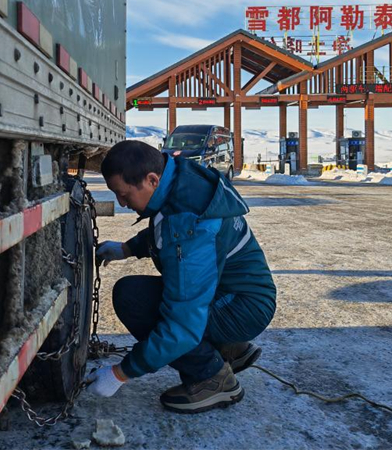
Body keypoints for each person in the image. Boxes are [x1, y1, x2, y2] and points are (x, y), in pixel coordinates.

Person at [85, 140, 276, 413]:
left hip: (241, 306)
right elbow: (166, 224)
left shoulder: (190, 226)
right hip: (237, 294)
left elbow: (182, 325)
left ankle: (213, 378)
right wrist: (128, 248)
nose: (122, 203)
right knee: (139, 293)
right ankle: (228, 348)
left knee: (134, 300)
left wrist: (120, 373)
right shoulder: (177, 177)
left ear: (151, 179)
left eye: (124, 194)